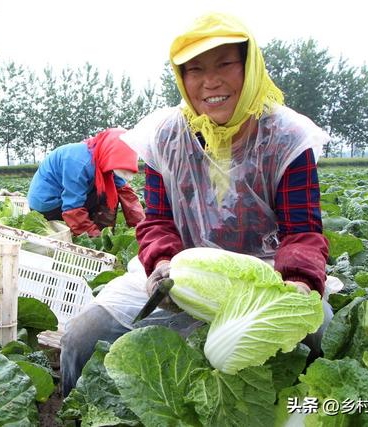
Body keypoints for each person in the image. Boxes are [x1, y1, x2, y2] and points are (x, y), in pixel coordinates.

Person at [60, 11, 337, 396]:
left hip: (267, 279)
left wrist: (299, 283)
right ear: (182, 78)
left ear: (249, 68)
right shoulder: (166, 136)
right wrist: (160, 264)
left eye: (225, 64)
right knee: (81, 336)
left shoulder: (286, 137)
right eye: (195, 70)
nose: (210, 82)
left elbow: (302, 229)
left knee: (319, 328)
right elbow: (156, 220)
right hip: (184, 273)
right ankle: (80, 414)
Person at [27, 128, 144, 237]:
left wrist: (143, 229)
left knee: (112, 190)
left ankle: (106, 234)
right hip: (47, 205)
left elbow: (127, 195)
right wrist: (94, 238)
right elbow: (72, 208)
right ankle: (95, 236)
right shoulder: (79, 162)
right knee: (104, 194)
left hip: (62, 199)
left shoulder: (104, 156)